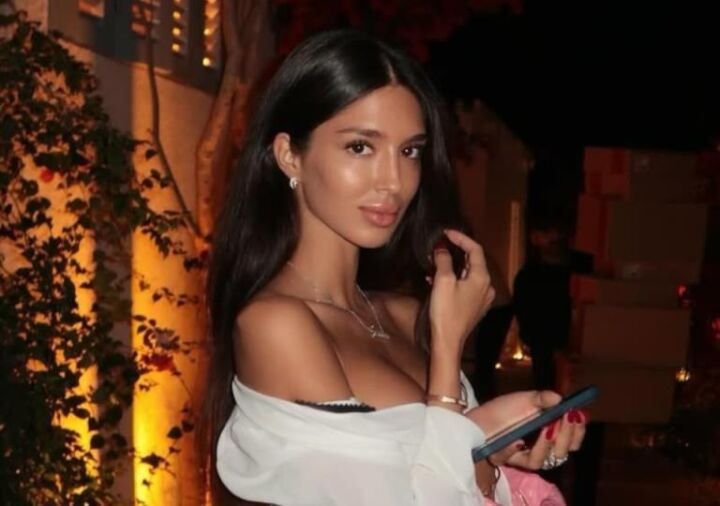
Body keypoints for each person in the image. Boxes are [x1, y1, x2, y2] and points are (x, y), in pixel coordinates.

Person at [202, 30, 586, 506]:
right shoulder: (275, 325)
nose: (394, 181)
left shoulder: (403, 314)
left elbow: (445, 472)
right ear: (289, 156)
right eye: (360, 147)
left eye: (410, 151)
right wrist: (448, 348)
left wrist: (492, 437)